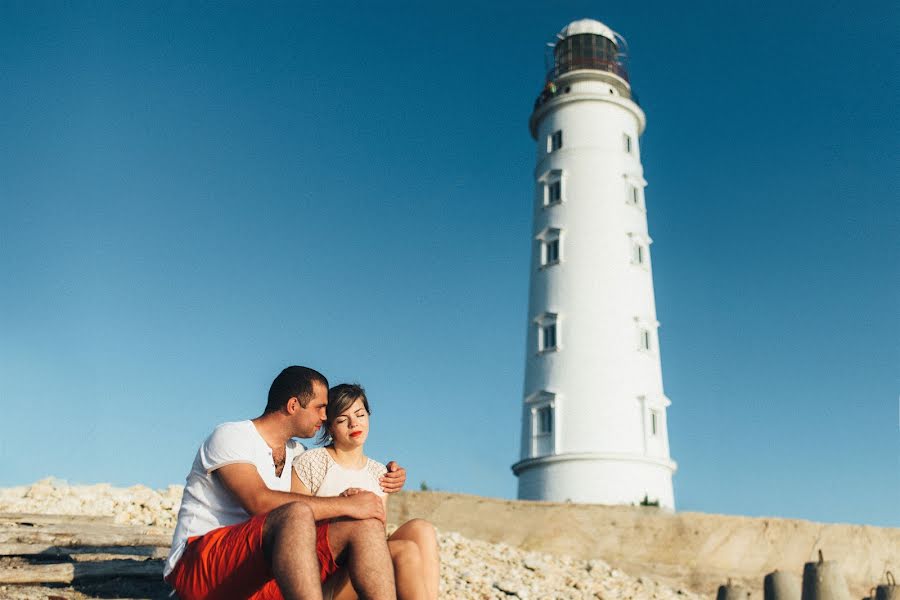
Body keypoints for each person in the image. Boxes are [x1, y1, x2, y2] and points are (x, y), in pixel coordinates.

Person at [164, 366, 407, 600]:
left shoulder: (296, 453)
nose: (325, 416)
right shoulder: (232, 435)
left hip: (265, 575)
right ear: (293, 406)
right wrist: (349, 506)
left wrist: (388, 474)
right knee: (296, 513)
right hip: (201, 571)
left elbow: (335, 465)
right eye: (320, 407)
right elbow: (258, 502)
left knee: (362, 525)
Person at [294, 384, 439, 600]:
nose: (354, 423)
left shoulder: (379, 472)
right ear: (330, 427)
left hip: (367, 569)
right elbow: (293, 525)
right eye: (343, 419)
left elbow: (376, 538)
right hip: (323, 575)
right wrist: (341, 507)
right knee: (405, 551)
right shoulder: (312, 462)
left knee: (422, 529)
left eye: (360, 414)